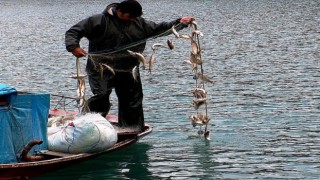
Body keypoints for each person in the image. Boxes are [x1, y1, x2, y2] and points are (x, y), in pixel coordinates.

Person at [65, 0, 194, 132]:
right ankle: (87, 127)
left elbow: (160, 28)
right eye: (130, 16)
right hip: (100, 68)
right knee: (101, 96)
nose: (133, 19)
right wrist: (73, 47)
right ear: (119, 11)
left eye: (135, 17)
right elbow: (73, 32)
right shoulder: (99, 20)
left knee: (133, 99)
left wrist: (180, 22)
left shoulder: (139, 23)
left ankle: (131, 128)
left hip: (128, 68)